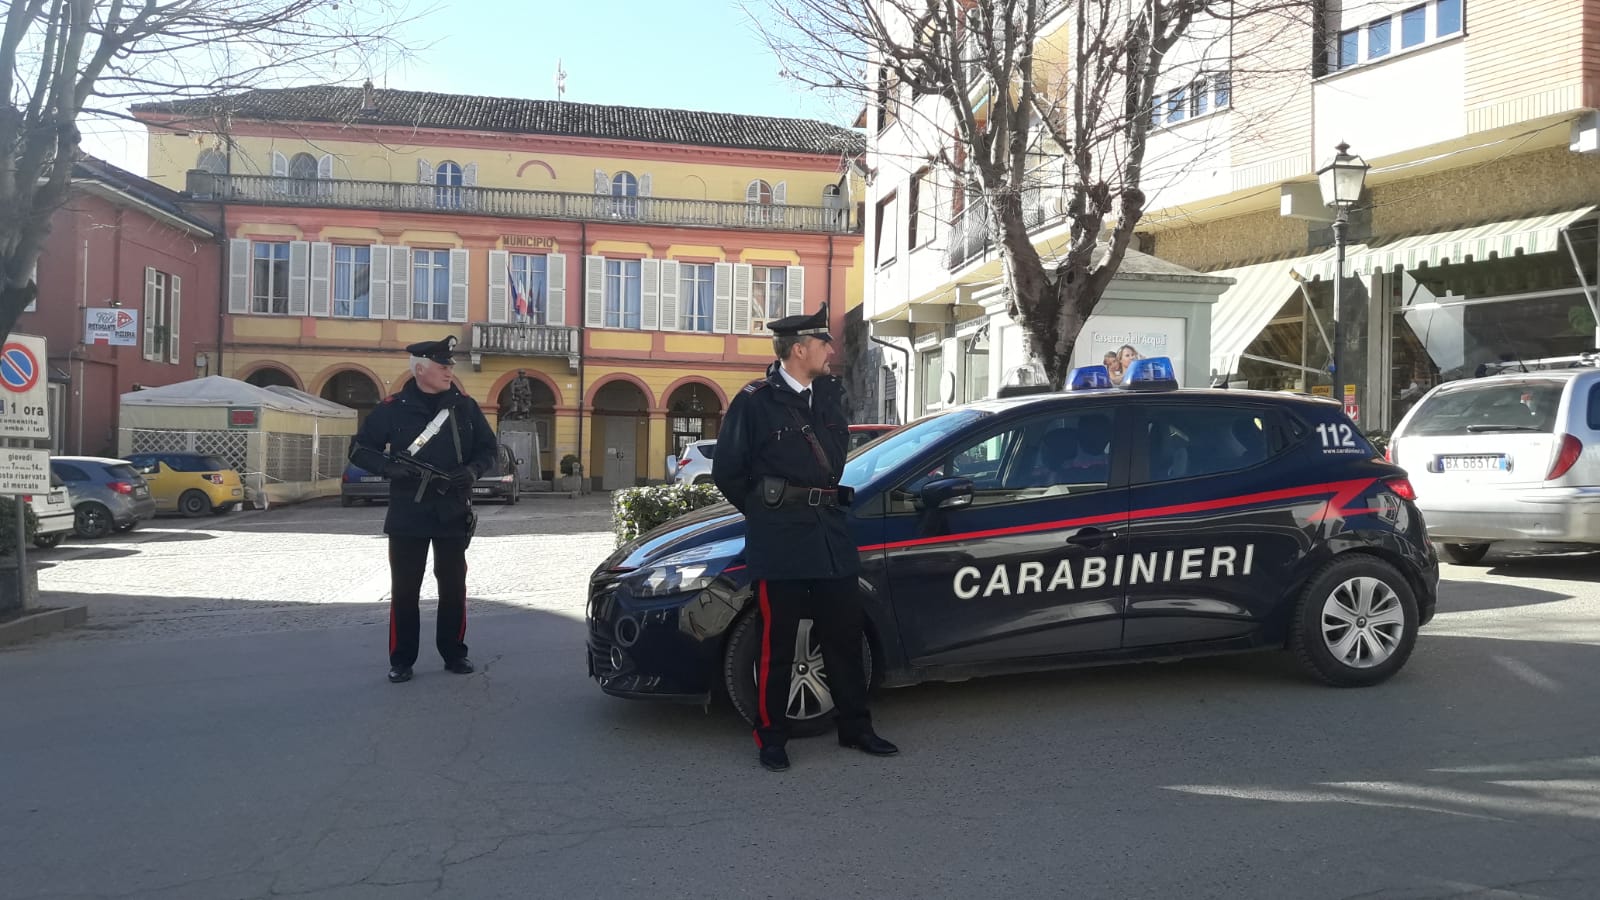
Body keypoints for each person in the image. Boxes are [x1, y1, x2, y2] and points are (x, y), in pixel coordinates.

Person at [712, 303, 899, 772]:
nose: (830, 350)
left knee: (843, 636)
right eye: (822, 343)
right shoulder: (755, 402)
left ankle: (855, 727)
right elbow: (728, 473)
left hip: (830, 535)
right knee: (776, 645)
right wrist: (767, 515)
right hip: (781, 542)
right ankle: (771, 737)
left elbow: (834, 462)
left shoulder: (829, 395)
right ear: (799, 349)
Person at [349, 335, 497, 684]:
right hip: (407, 513)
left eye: (449, 365)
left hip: (451, 509)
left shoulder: (465, 407)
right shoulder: (393, 407)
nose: (449, 371)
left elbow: (489, 449)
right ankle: (402, 660)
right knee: (404, 590)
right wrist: (389, 468)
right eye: (443, 365)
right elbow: (359, 450)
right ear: (420, 369)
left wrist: (473, 471)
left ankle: (454, 652)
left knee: (453, 588)